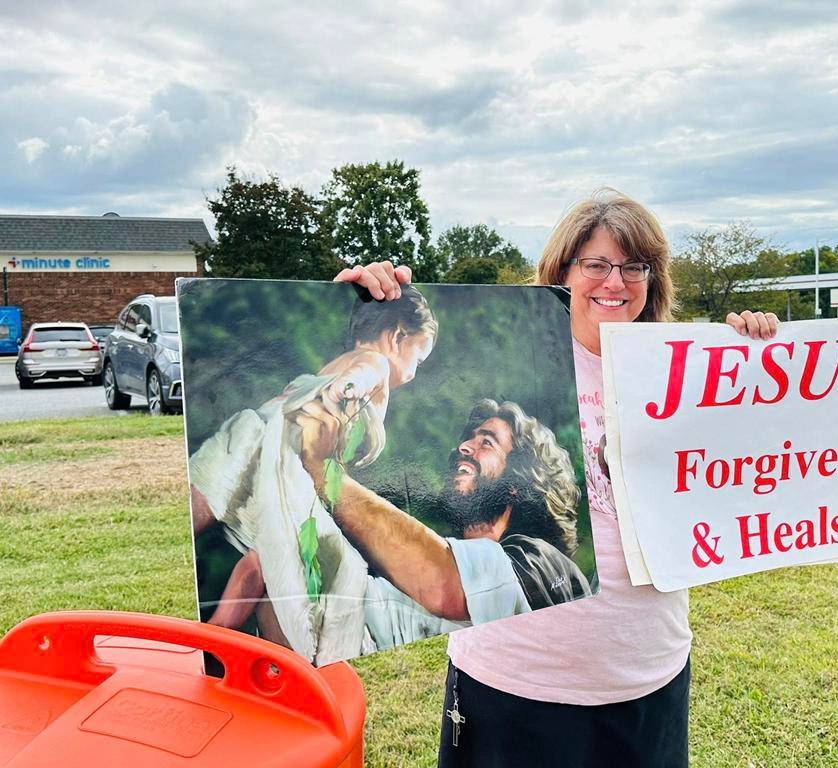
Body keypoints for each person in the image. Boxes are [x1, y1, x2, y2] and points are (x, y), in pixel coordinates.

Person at [336, 188, 779, 767]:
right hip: (511, 682)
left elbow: (749, 470)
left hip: (646, 675)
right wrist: (373, 306)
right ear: (562, 272)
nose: (614, 282)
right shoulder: (513, 366)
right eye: (594, 264)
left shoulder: (687, 370)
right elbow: (385, 372)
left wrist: (759, 354)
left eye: (633, 266)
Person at [188, 284, 437, 663]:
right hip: (282, 462)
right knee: (279, 558)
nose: (417, 373)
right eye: (419, 358)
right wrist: (346, 390)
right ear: (397, 337)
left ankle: (217, 627)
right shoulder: (375, 364)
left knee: (244, 543)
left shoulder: (335, 361)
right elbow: (362, 374)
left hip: (252, 431)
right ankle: (221, 629)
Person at [292, 397, 593, 652]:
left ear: (518, 484)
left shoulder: (546, 566)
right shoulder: (418, 579)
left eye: (486, 442)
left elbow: (444, 587)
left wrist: (322, 469)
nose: (464, 446)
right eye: (469, 438)